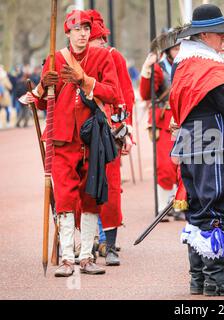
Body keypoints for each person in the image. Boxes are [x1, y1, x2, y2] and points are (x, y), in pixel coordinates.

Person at [170, 4, 224, 296]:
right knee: (215, 208)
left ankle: (200, 278)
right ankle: (216, 279)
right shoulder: (205, 66)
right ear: (205, 34)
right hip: (214, 143)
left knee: (198, 209)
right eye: (220, 34)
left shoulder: (184, 64)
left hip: (195, 142)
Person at [32, 10, 120, 277]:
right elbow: (40, 102)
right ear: (68, 32)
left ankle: (86, 256)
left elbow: (113, 93)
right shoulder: (54, 59)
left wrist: (85, 80)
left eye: (86, 28)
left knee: (91, 196)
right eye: (77, 29)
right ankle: (67, 258)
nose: (83, 33)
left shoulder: (103, 56)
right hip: (62, 139)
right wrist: (41, 87)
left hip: (93, 138)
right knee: (65, 197)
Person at [86, 9, 135, 266]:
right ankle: (88, 241)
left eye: (101, 37)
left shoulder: (114, 57)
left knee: (111, 188)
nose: (101, 42)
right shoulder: (71, 60)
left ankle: (110, 242)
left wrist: (124, 128)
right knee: (82, 190)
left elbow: (125, 95)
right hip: (79, 132)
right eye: (97, 38)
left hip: (108, 131)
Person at [140, 30, 182, 220]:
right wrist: (148, 68)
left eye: (180, 46)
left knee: (184, 164)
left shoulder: (188, 64)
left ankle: (182, 204)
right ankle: (165, 205)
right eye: (175, 48)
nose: (178, 50)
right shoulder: (159, 68)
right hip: (165, 120)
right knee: (166, 165)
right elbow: (146, 94)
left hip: (184, 118)